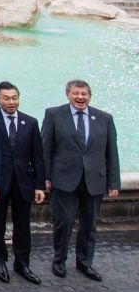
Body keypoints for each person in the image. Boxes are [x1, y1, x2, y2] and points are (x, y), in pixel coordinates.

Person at [41, 79, 120, 282]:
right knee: (63, 222)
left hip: (94, 181)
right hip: (63, 179)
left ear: (89, 96)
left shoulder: (105, 118)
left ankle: (85, 263)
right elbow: (45, 150)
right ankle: (59, 261)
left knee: (90, 225)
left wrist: (114, 183)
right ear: (68, 94)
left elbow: (112, 152)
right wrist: (44, 178)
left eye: (84, 94)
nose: (80, 97)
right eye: (76, 93)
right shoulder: (53, 115)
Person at [0, 82, 46, 285]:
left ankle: (22, 264)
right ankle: (0, 261)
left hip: (23, 183)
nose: (11, 102)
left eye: (14, 98)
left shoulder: (30, 122)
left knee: (23, 225)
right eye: (7, 98)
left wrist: (39, 185)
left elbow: (38, 156)